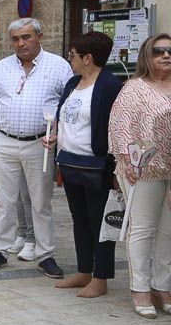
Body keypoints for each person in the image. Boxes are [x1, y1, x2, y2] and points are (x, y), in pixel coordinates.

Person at [0, 18, 72, 279]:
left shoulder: (59, 66)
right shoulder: (2, 68)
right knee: (5, 201)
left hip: (39, 142)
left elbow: (68, 105)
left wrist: (58, 134)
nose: (21, 43)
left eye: (26, 37)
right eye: (16, 39)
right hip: (4, 141)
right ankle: (0, 250)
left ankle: (45, 254)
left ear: (39, 36)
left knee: (41, 202)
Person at [46, 31, 122, 298]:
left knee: (100, 222)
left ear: (87, 58)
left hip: (96, 165)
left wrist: (115, 169)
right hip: (69, 162)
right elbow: (66, 117)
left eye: (73, 55)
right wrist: (56, 136)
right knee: (80, 220)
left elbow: (115, 129)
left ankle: (100, 277)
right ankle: (83, 271)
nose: (70, 59)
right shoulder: (72, 83)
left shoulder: (109, 86)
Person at [107, 33, 171, 318]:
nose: (166, 55)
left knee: (168, 232)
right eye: (159, 51)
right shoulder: (134, 88)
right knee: (143, 228)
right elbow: (121, 126)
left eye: (170, 51)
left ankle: (163, 286)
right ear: (147, 55)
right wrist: (129, 160)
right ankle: (140, 288)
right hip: (144, 167)